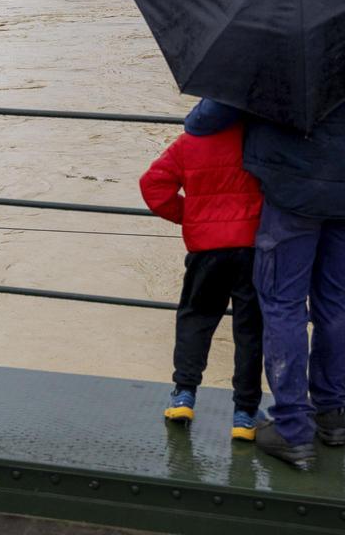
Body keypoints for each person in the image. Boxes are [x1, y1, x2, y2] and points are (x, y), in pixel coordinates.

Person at [185, 82, 345, 469]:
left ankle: (291, 428)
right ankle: (332, 416)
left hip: (293, 191)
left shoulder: (277, 38)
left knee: (283, 302)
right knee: (338, 299)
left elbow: (205, 121)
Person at [139, 101, 265, 441]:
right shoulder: (255, 139)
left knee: (196, 317)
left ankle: (184, 395)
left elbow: (153, 186)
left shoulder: (187, 142)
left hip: (205, 250)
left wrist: (190, 216)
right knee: (250, 330)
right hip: (251, 248)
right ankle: (244, 414)